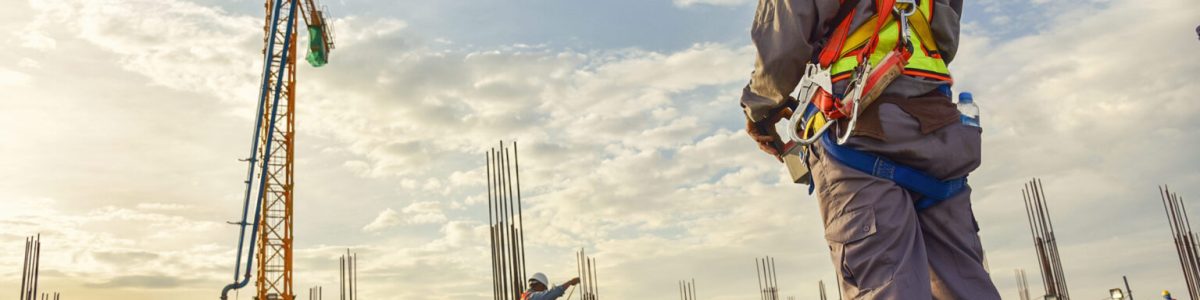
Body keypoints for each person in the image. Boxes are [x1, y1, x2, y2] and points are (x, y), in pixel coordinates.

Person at [739, 0, 1001, 298]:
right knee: (965, 282)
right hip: (936, 124)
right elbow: (945, 33)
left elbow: (782, 47)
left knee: (885, 283)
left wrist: (758, 109)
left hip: (858, 126)